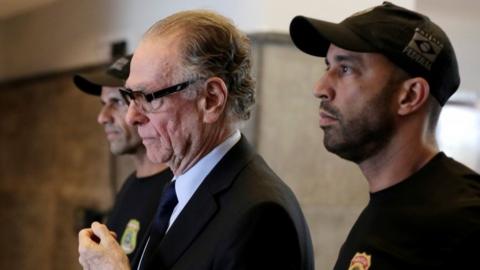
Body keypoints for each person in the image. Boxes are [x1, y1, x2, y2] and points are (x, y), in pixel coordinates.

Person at [78, 10, 314, 270]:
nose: (133, 116)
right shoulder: (178, 190)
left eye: (149, 97)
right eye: (131, 96)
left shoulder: (261, 215)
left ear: (211, 99)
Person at [290, 1, 480, 269]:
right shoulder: (385, 207)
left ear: (410, 96)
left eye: (346, 69)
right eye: (328, 67)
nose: (320, 88)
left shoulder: (465, 220)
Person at [73, 55, 172, 264]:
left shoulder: (176, 192)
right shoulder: (131, 185)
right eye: (103, 103)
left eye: (116, 102)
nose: (102, 117)